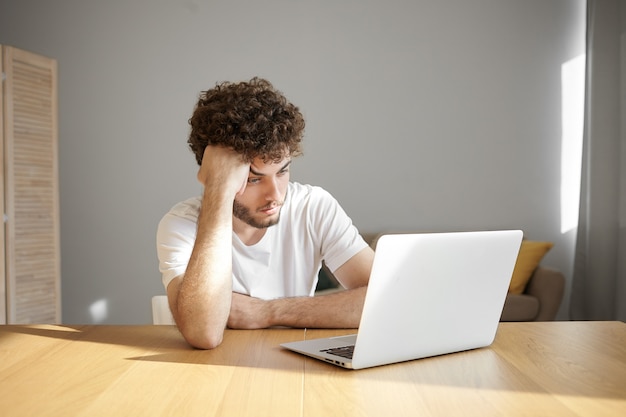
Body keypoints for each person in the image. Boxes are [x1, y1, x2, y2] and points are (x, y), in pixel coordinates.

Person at [156, 77, 375, 349]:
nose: (276, 194)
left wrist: (267, 312)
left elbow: (386, 299)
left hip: (296, 371)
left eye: (282, 171)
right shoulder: (181, 224)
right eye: (255, 179)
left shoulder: (314, 206)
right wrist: (217, 191)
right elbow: (204, 333)